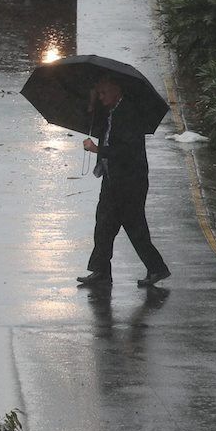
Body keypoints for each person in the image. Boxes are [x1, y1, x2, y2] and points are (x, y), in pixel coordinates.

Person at [77, 76, 171, 288]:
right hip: (112, 180)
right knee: (104, 225)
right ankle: (101, 271)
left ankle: (157, 268)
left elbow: (127, 151)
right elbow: (95, 124)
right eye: (99, 93)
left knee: (134, 227)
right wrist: (92, 102)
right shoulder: (109, 111)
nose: (101, 98)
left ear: (116, 90)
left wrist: (98, 149)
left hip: (130, 181)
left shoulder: (129, 114)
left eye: (103, 93)